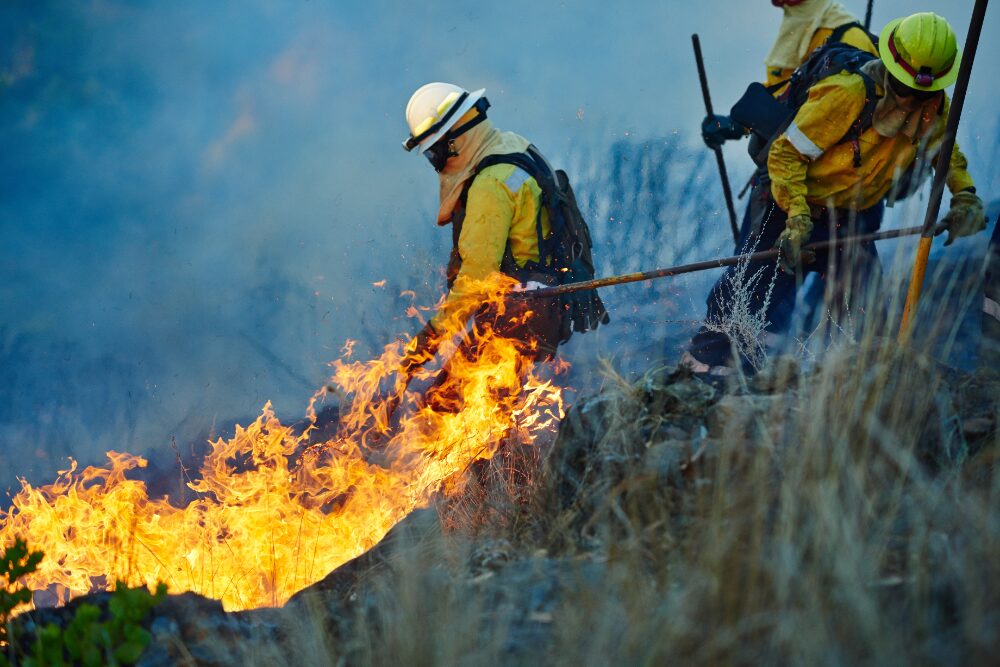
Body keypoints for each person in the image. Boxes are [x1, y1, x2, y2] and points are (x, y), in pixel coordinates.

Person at [684, 12, 987, 375]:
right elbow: (786, 152)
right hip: (797, 206)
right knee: (743, 296)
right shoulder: (846, 94)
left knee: (866, 312)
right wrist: (796, 217)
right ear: (891, 68)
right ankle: (699, 372)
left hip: (852, 217)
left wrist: (965, 195)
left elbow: (945, 151)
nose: (913, 102)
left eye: (924, 92)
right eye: (907, 90)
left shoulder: (932, 106)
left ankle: (853, 385)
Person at [700, 0, 880, 348]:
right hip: (781, 182)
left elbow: (847, 120)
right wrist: (735, 124)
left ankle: (822, 374)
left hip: (834, 193)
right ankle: (757, 367)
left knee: (841, 291)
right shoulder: (800, 27)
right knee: (757, 282)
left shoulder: (847, 36)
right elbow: (789, 100)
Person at [396, 82, 592, 389]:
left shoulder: (490, 184)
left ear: (454, 140)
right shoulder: (511, 146)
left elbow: (477, 275)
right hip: (541, 301)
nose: (436, 162)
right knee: (465, 406)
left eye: (435, 151)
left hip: (515, 314)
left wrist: (433, 335)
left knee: (442, 412)